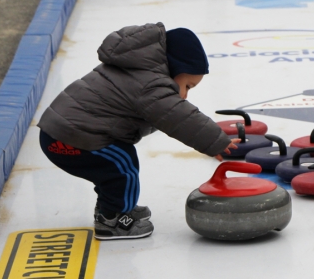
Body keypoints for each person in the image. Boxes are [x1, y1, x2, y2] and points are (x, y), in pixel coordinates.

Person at [37, 23, 237, 241]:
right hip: (72, 137)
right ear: (174, 70)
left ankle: (113, 208)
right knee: (122, 167)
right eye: (187, 86)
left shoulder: (135, 69)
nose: (185, 95)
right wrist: (215, 141)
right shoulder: (151, 85)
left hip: (63, 133)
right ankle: (112, 220)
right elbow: (178, 117)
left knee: (113, 168)